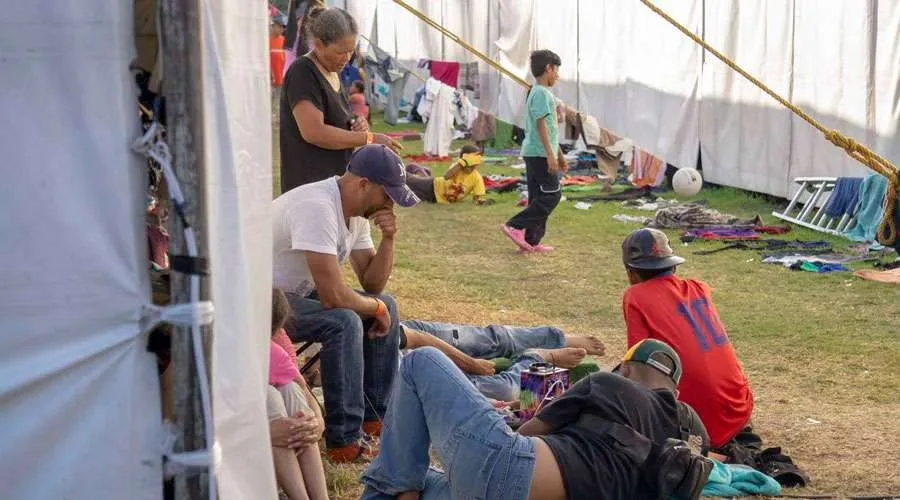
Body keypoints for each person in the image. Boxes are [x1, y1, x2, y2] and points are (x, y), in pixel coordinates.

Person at [360, 339, 710, 500]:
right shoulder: (695, 438)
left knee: (421, 361)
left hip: (507, 474)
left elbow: (527, 430)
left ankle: (400, 489)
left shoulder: (609, 384)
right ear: (675, 391)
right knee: (408, 474)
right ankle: (402, 487)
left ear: (626, 370)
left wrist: (490, 410)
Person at [272, 144, 419, 463]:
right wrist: (375, 309)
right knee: (344, 320)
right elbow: (333, 297)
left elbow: (372, 284)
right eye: (388, 195)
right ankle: (345, 440)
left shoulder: (355, 213)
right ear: (364, 184)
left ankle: (374, 420)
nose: (391, 204)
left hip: (290, 296)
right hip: (260, 302)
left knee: (386, 303)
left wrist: (389, 239)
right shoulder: (317, 206)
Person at [620, 228, 754, 451]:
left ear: (631, 273)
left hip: (700, 426)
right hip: (739, 408)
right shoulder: (700, 288)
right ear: (673, 266)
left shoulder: (635, 296)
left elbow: (638, 367)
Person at [280, 6, 401, 193]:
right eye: (340, 52)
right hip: (309, 186)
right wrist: (369, 138)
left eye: (350, 51)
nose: (346, 58)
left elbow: (336, 116)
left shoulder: (333, 72)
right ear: (318, 44)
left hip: (333, 183)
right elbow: (314, 132)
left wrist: (355, 121)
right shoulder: (302, 72)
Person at [501, 50, 567, 253]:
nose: (557, 76)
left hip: (537, 152)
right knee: (552, 195)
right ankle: (515, 225)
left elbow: (551, 129)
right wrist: (550, 155)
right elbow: (541, 126)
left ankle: (531, 241)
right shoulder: (541, 93)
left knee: (537, 197)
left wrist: (559, 155)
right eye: (556, 71)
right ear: (548, 68)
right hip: (539, 153)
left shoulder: (539, 93)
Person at [267, 289, 329, 500]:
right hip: (239, 432)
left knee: (290, 391)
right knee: (271, 396)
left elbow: (301, 386)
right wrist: (262, 432)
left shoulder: (274, 350)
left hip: (270, 433)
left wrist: (315, 421)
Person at [405, 145, 492, 205]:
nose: (472, 167)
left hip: (434, 199)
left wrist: (481, 202)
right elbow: (446, 176)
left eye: (474, 164)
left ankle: (422, 171)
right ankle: (415, 170)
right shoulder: (457, 167)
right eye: (469, 164)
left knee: (409, 193)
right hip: (431, 186)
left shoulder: (477, 178)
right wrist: (463, 162)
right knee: (406, 179)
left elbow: (476, 199)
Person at [270, 15, 287, 123]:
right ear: (273, 26)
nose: (281, 29)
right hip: (270, 78)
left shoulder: (284, 41)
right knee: (268, 100)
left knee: (279, 101)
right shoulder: (267, 41)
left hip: (281, 78)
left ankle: (278, 120)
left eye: (282, 27)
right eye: (279, 26)